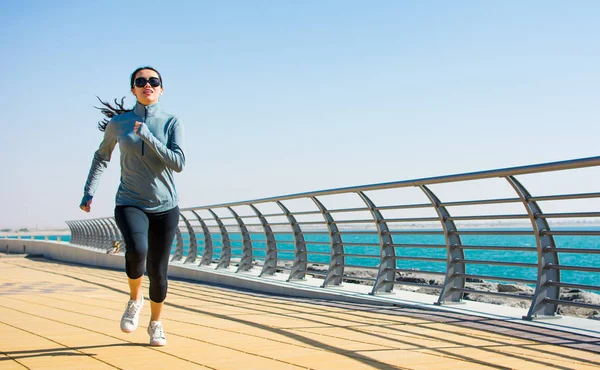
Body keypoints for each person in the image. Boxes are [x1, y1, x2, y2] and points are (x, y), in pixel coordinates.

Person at [79, 66, 185, 346]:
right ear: (133, 89)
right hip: (129, 201)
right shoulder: (119, 123)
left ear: (161, 89)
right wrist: (89, 192)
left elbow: (179, 163)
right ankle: (134, 299)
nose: (147, 85)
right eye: (141, 81)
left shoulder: (172, 122)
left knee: (159, 271)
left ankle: (156, 323)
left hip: (165, 206)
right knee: (137, 250)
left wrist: (148, 136)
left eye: (153, 81)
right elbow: (102, 157)